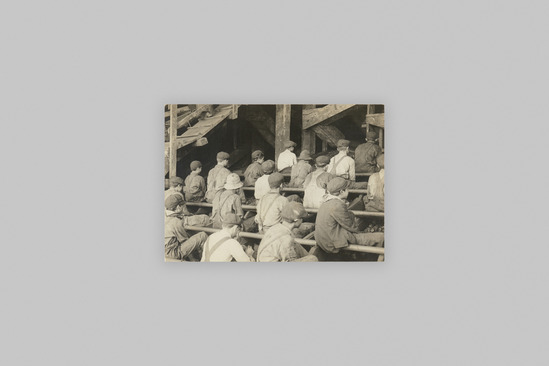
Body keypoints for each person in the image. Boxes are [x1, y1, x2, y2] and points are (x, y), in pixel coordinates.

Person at [314, 177, 384, 260]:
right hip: (333, 243)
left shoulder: (325, 202)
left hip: (325, 239)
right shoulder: (338, 205)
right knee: (380, 237)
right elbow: (351, 226)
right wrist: (363, 231)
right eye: (347, 189)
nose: (348, 191)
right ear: (341, 191)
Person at [164, 194, 207, 261]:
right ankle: (205, 260)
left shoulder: (166, 216)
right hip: (173, 254)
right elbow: (184, 241)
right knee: (203, 235)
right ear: (178, 207)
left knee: (189, 233)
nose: (185, 206)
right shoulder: (176, 221)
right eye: (183, 205)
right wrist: (192, 259)